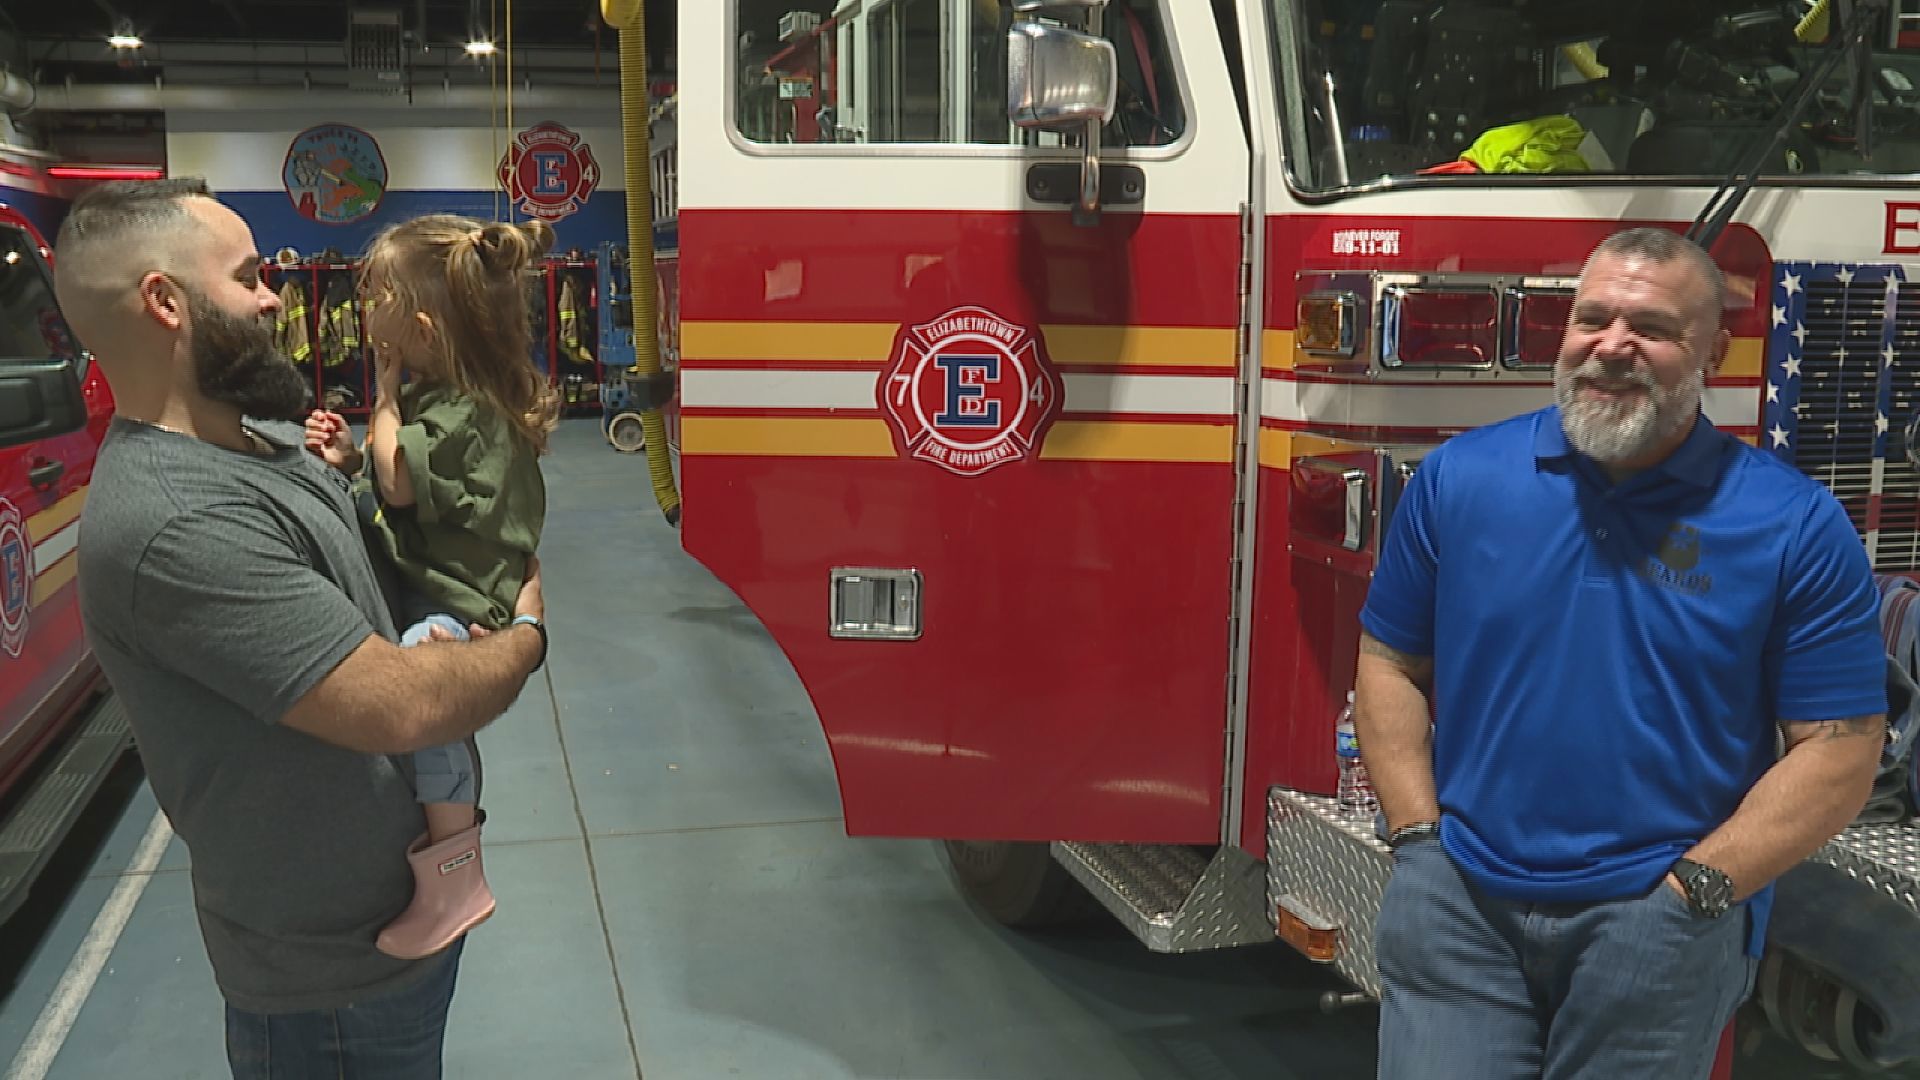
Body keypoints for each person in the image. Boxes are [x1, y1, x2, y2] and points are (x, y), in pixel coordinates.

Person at [1356, 226, 1888, 1080]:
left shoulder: (1792, 526)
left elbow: (1842, 747)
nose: (1612, 346)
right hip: (1462, 907)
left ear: (1714, 349)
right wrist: (1418, 842)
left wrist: (1698, 891)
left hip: (1658, 924)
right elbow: (1390, 662)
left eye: (1652, 327)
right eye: (1591, 318)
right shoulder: (1461, 481)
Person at [57, 178, 548, 1077]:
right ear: (167, 302)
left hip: (391, 925)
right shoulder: (176, 521)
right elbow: (394, 709)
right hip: (333, 983)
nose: (276, 298)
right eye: (248, 278)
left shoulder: (260, 440)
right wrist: (524, 636)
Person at [302, 213, 558, 960]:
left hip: (460, 598)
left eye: (373, 298)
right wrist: (354, 461)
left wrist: (379, 399)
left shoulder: (466, 411)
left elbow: (400, 480)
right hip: (438, 574)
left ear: (416, 327)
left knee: (425, 689)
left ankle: (455, 873)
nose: (360, 311)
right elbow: (393, 484)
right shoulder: (447, 400)